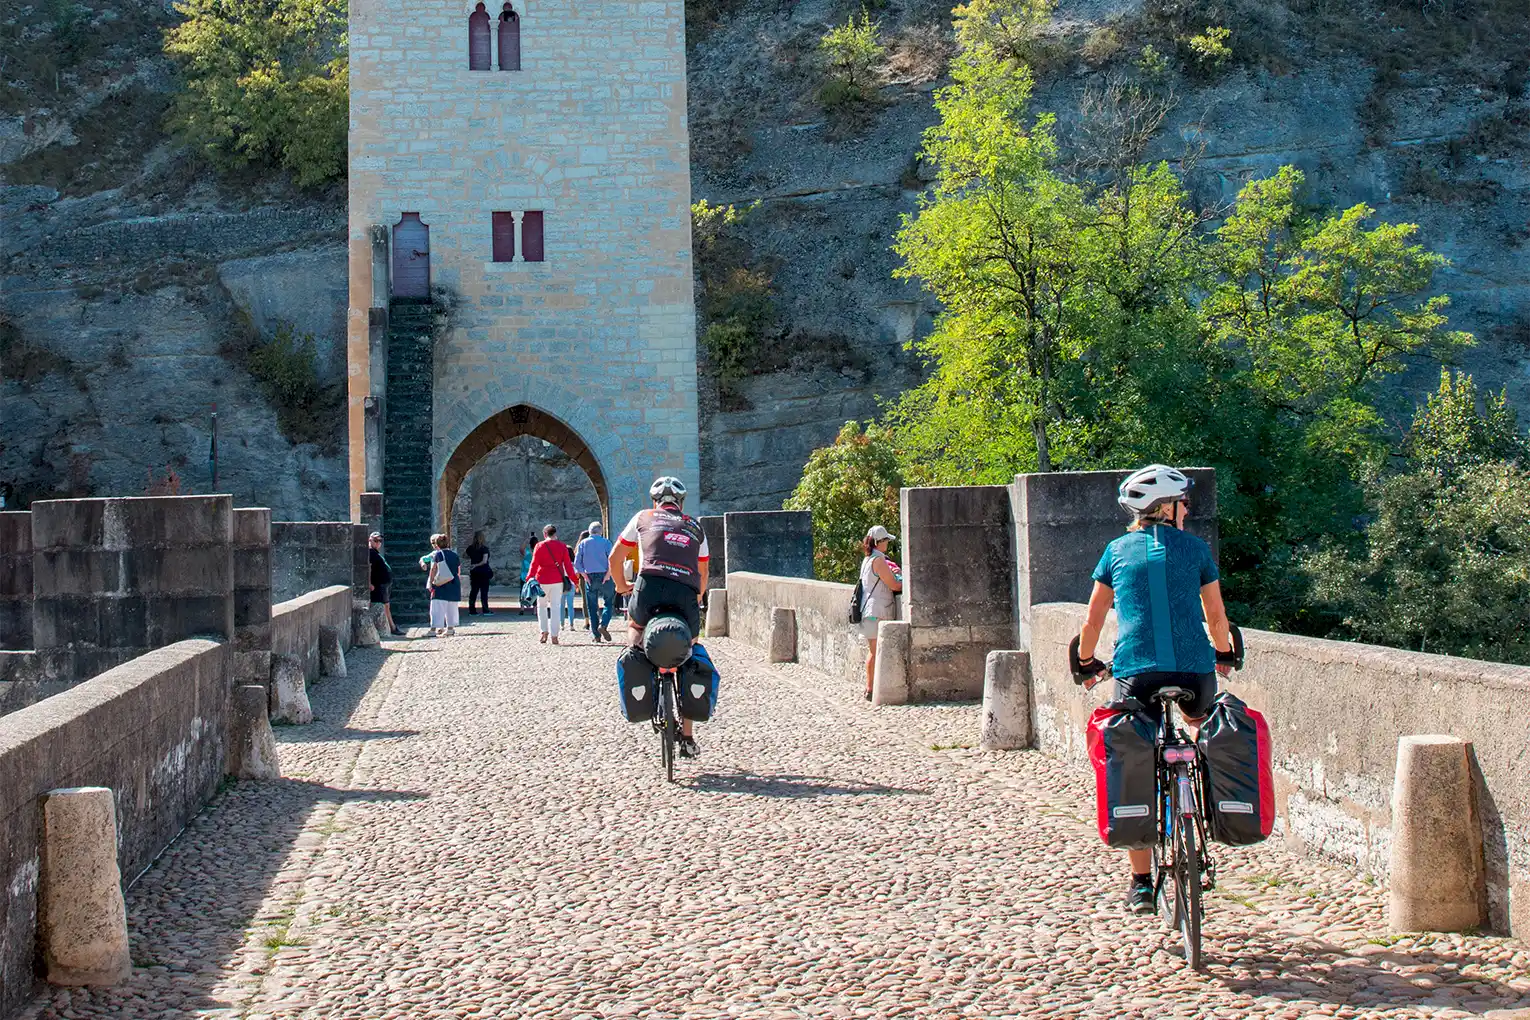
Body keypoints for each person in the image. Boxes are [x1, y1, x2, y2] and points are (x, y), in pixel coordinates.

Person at [1072, 464, 1235, 916]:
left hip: (1136, 675)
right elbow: (1217, 620)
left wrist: (1086, 662)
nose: (1187, 509)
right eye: (1183, 502)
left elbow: (1093, 621)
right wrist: (1224, 655)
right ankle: (1207, 802)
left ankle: (1141, 883)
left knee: (1134, 756)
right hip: (1194, 673)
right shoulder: (1197, 549)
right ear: (1166, 508)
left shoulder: (1116, 551)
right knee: (1203, 726)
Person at [610, 476, 709, 757]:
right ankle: (688, 738)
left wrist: (620, 586)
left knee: (635, 627)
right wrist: (698, 597)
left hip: (648, 587)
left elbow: (615, 557)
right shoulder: (695, 526)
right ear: (681, 503)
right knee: (691, 652)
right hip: (684, 594)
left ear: (655, 502)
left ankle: (637, 660)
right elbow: (703, 573)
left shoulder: (642, 517)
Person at [858, 525, 903, 701]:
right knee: (876, 651)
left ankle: (870, 688)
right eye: (885, 541)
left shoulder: (867, 559)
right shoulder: (878, 560)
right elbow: (893, 585)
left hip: (868, 610)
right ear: (879, 542)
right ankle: (871, 690)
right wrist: (903, 579)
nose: (887, 544)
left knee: (873, 651)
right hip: (878, 610)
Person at [526, 524, 578, 644]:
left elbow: (534, 564)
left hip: (542, 580)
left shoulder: (539, 546)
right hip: (557, 580)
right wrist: (575, 581)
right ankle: (555, 636)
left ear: (545, 534)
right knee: (556, 607)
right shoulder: (562, 546)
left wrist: (529, 578)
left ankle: (544, 632)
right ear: (555, 534)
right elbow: (568, 566)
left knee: (542, 606)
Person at [574, 520, 616, 642]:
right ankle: (603, 625)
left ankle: (596, 636)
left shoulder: (583, 543)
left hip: (590, 576)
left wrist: (584, 576)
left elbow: (577, 563)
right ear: (601, 531)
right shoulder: (606, 542)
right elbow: (612, 560)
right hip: (604, 575)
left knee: (592, 606)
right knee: (608, 602)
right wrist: (608, 574)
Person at [368, 532, 405, 636]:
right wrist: (369, 583)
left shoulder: (375, 552)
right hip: (378, 584)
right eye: (375, 540)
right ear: (369, 540)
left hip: (383, 583)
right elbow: (368, 568)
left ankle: (391, 627)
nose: (378, 543)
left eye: (380, 541)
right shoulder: (371, 552)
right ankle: (391, 627)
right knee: (385, 606)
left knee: (386, 605)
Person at [425, 533, 463, 637]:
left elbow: (433, 570)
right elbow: (458, 570)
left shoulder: (438, 554)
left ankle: (433, 629)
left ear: (437, 544)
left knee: (437, 607)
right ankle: (450, 628)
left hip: (441, 584)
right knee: (452, 607)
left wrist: (431, 582)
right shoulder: (455, 555)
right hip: (454, 583)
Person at [465, 530, 493, 616]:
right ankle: (485, 610)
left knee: (474, 591)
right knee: (484, 592)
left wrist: (473, 562)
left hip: (474, 573)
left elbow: (464, 555)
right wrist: (477, 564)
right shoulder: (484, 549)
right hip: (484, 572)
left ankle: (472, 610)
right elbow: (484, 561)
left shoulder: (470, 548)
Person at [561, 532, 584, 631]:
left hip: (561, 585)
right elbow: (577, 575)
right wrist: (577, 585)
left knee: (561, 606)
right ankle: (571, 624)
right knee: (571, 606)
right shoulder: (573, 564)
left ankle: (561, 624)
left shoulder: (561, 563)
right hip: (571, 585)